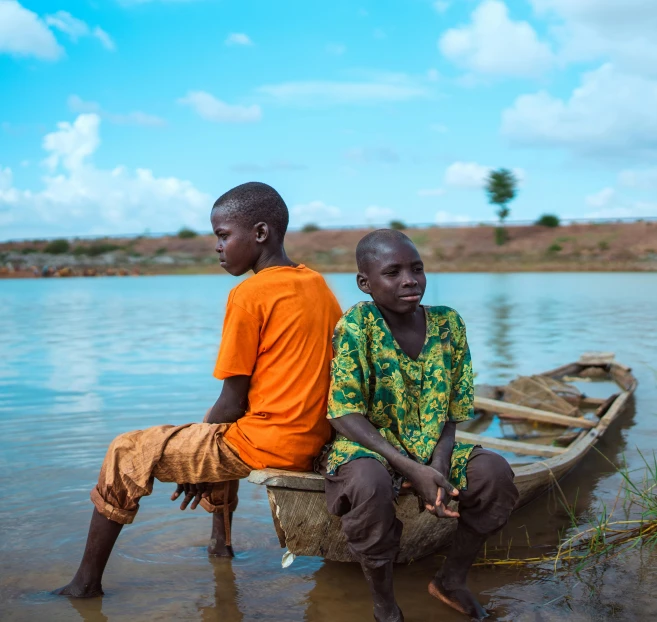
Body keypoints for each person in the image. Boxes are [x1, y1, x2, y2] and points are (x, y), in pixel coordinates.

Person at [54, 182, 342, 598]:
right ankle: (220, 547)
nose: (217, 247)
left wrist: (197, 453)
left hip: (271, 442)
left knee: (126, 450)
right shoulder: (316, 284)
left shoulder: (249, 294)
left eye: (223, 235)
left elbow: (231, 401)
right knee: (214, 432)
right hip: (309, 438)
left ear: (260, 233)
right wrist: (198, 450)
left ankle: (84, 585)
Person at [318, 229, 519, 621]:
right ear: (365, 283)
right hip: (369, 448)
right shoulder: (358, 325)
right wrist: (411, 469)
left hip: (431, 447)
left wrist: (439, 464)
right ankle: (385, 607)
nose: (410, 280)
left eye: (417, 268)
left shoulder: (448, 324)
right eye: (392, 272)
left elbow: (454, 409)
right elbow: (343, 413)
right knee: (368, 485)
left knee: (494, 474)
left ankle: (451, 580)